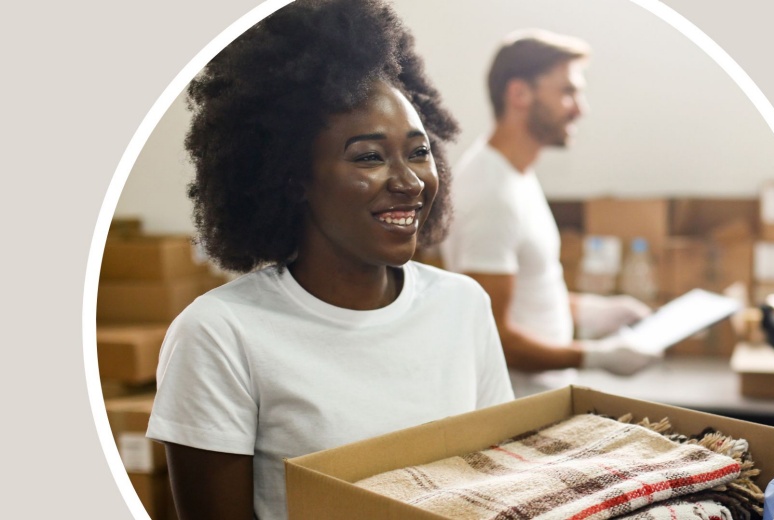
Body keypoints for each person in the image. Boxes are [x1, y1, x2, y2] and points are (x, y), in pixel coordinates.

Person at [144, 2, 514, 519]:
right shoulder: (220, 334)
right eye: (368, 156)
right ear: (292, 178)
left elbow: (502, 489)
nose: (409, 182)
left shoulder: (462, 305)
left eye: (418, 151)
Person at [440, 29, 657, 396]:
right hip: (517, 408)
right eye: (568, 91)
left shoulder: (515, 176)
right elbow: (494, 335)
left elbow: (528, 291)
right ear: (519, 94)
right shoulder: (491, 193)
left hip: (544, 397)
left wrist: (593, 311)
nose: (580, 108)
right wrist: (595, 357)